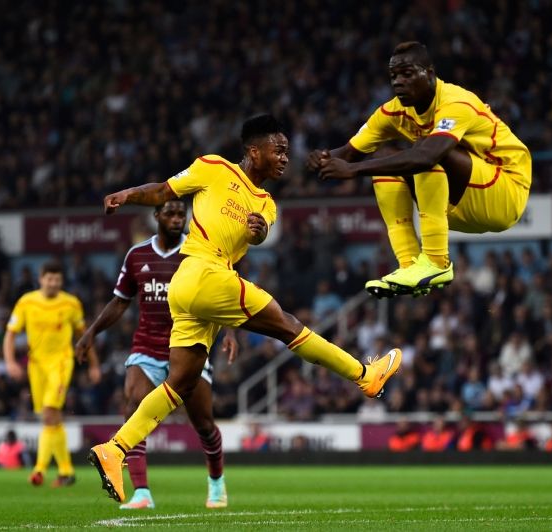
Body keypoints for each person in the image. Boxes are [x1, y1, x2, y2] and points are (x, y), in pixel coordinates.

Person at [88, 114, 402, 504]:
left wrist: (259, 231)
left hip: (190, 286)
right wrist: (126, 194)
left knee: (180, 384)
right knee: (288, 326)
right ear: (254, 151)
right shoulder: (213, 167)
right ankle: (364, 376)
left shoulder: (267, 203)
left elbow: (261, 232)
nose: (285, 158)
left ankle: (115, 449)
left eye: (287, 152)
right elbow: (163, 190)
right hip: (203, 271)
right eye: (279, 150)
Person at [309, 41, 532, 298]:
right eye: (394, 76)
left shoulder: (456, 102)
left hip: (506, 192)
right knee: (384, 158)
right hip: (461, 202)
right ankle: (410, 266)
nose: (398, 82)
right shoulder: (392, 111)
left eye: (407, 73)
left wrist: (354, 170)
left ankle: (437, 263)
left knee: (425, 151)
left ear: (430, 73)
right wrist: (320, 158)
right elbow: (347, 153)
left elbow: (427, 156)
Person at [75, 199, 238, 509]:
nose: (177, 219)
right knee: (134, 407)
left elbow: (225, 292)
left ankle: (217, 484)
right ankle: (142, 493)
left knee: (204, 424)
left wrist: (230, 332)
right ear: (156, 216)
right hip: (147, 348)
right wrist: (91, 332)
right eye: (170, 213)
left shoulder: (200, 251)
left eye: (181, 214)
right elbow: (120, 301)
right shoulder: (137, 255)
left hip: (189, 347)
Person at [3, 261, 101, 488]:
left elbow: (84, 336)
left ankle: (40, 469)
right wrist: (9, 361)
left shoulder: (71, 303)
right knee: (51, 418)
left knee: (49, 413)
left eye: (57, 279)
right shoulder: (26, 302)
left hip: (61, 363)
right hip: (36, 366)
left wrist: (94, 365)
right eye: (49, 278)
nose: (53, 283)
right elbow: (10, 334)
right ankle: (66, 471)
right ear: (41, 279)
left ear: (61, 281)